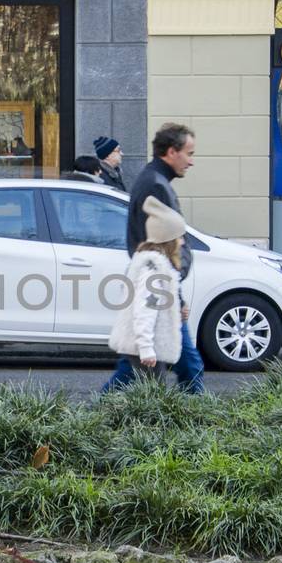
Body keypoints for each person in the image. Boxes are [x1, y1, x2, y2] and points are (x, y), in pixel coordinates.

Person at [103, 122, 205, 395]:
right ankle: (200, 420)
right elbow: (160, 246)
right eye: (189, 153)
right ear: (171, 152)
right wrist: (177, 296)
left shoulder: (154, 180)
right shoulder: (156, 186)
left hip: (160, 279)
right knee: (188, 365)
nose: (191, 162)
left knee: (134, 364)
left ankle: (99, 410)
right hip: (161, 281)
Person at [107, 196, 185, 379]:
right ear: (168, 239)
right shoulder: (153, 269)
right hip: (148, 346)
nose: (182, 242)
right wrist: (146, 347)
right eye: (179, 237)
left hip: (147, 344)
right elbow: (145, 309)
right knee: (154, 397)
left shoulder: (150, 263)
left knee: (148, 392)